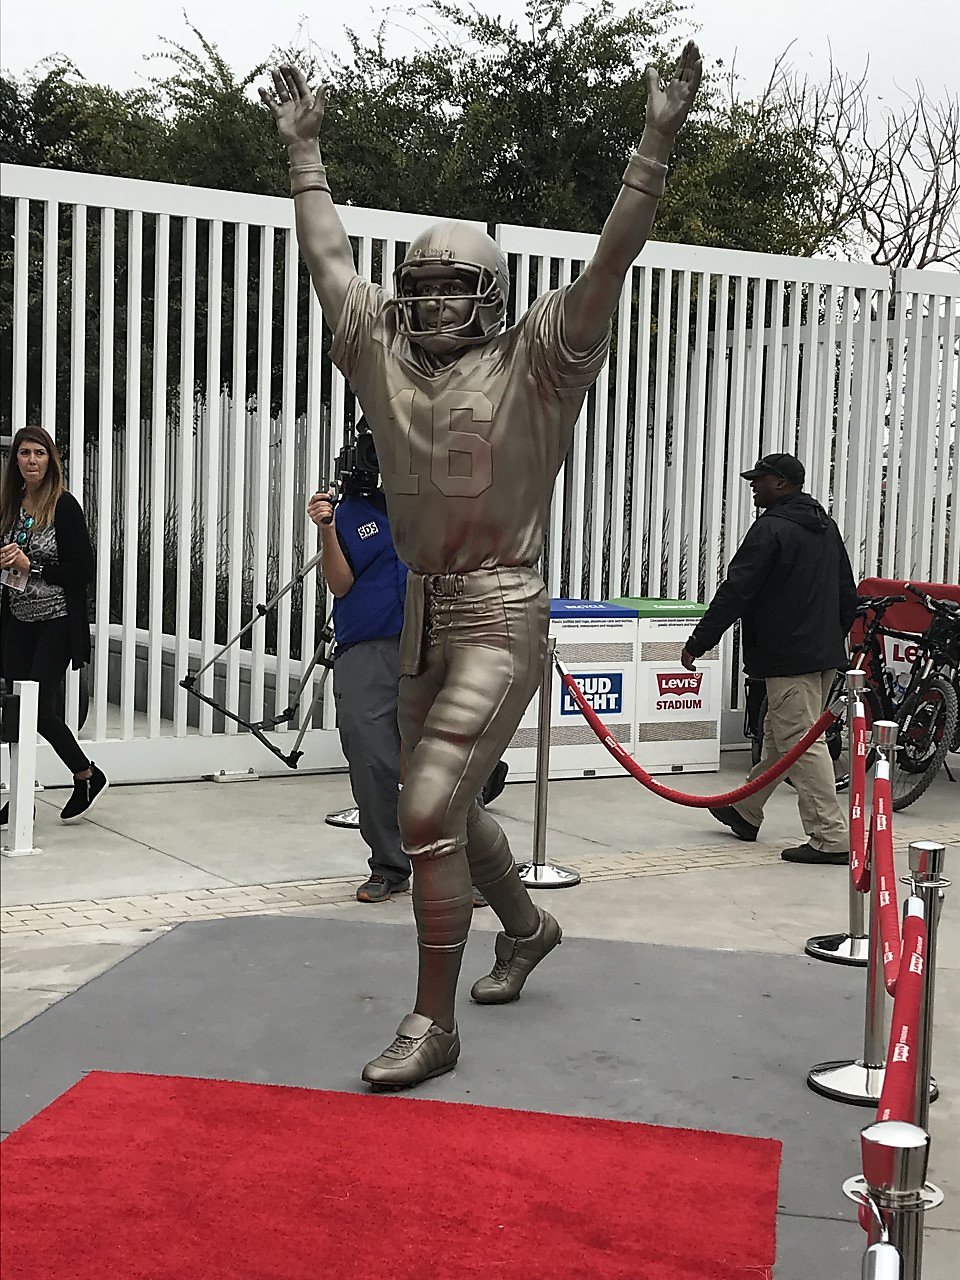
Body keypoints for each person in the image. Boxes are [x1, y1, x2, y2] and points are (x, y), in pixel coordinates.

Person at [261, 44, 702, 1088]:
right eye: (416, 283)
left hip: (501, 607)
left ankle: (433, 1021)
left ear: (494, 293)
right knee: (451, 806)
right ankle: (527, 925)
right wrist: (305, 156)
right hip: (418, 604)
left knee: (424, 811)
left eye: (452, 284)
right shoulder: (382, 351)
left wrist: (654, 143)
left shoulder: (538, 359)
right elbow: (329, 264)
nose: (427, 299)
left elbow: (609, 264)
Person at [307, 423, 496, 906]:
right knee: (370, 758)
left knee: (446, 760)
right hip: (366, 647)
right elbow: (340, 585)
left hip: (435, 645)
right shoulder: (349, 513)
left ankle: (465, 868)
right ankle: (389, 865)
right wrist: (327, 529)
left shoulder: (441, 508)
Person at [680, 453, 858, 866]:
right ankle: (746, 810)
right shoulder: (824, 526)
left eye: (759, 480)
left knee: (800, 741)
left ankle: (830, 837)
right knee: (779, 737)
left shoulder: (771, 529)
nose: (753, 486)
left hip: (787, 654)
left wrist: (698, 641)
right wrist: (831, 639)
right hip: (822, 652)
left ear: (781, 483)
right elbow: (847, 592)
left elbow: (736, 591)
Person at [0, 426, 107, 825]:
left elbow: (83, 570)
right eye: (24, 454)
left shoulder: (63, 506)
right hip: (18, 619)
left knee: (36, 709)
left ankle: (86, 774)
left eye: (39, 454)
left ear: (51, 461)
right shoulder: (11, 505)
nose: (31, 461)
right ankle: (29, 792)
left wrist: (34, 566)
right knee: (16, 712)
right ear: (15, 462)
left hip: (57, 621)